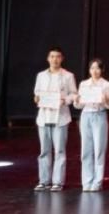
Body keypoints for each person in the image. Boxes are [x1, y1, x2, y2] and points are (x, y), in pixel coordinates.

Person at [33, 47, 77, 191]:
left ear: (62, 59)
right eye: (52, 56)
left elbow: (74, 94)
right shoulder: (41, 75)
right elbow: (37, 93)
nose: (55, 59)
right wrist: (37, 98)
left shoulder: (68, 76)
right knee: (44, 150)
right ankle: (44, 181)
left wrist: (65, 100)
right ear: (48, 58)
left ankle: (58, 181)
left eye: (58, 56)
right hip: (44, 116)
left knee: (59, 150)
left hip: (61, 117)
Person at [74, 58, 109, 192]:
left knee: (99, 150)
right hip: (86, 116)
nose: (95, 71)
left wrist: (107, 100)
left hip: (99, 115)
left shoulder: (107, 84)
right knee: (86, 150)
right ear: (89, 70)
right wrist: (77, 100)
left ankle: (97, 182)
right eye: (92, 68)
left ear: (102, 70)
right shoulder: (83, 84)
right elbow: (79, 105)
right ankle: (87, 181)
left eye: (97, 68)